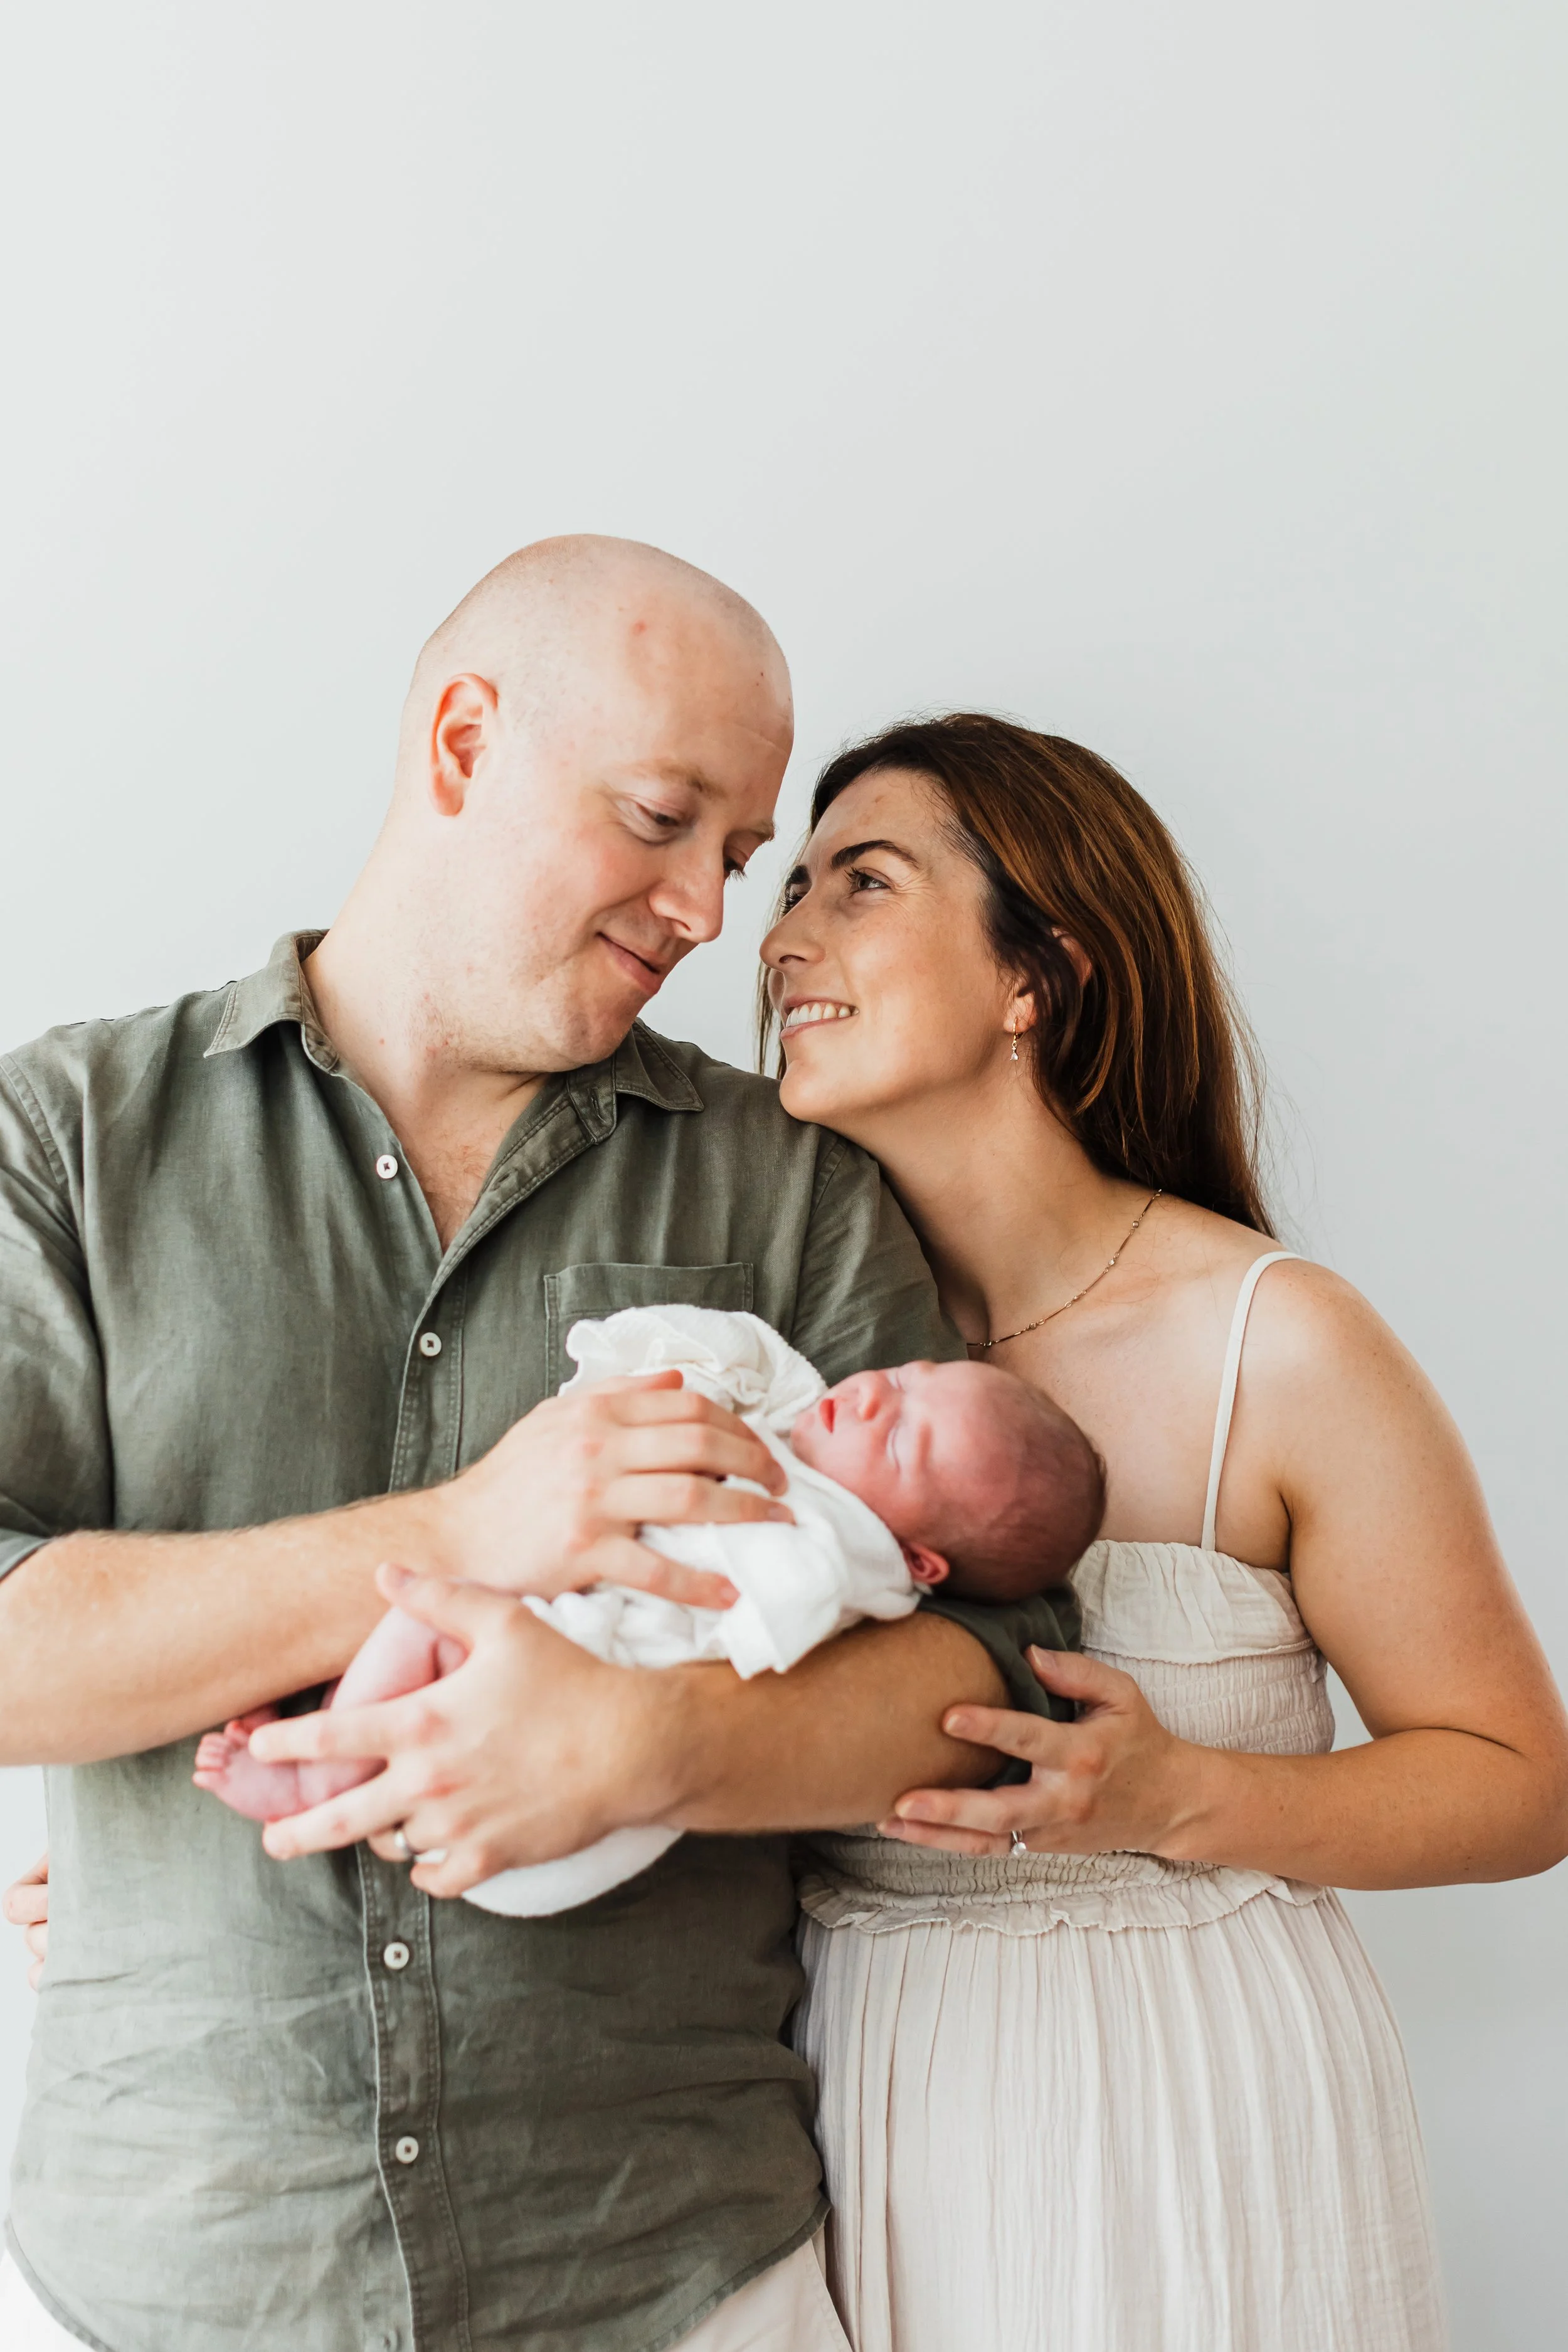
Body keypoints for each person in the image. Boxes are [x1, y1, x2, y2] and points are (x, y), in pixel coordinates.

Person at [0, 547, 1074, 2352]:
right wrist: (463, 1529)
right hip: (164, 2276)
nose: (707, 910)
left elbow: (997, 1665)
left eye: (736, 853)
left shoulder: (787, 1183)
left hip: (677, 2278)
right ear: (461, 742)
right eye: (660, 819)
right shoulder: (70, 1137)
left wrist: (648, 1744)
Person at [759, 713, 1568, 2351]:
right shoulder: (780, 1360)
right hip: (857, 2104)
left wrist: (1177, 1792)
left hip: (1187, 2118)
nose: (780, 938)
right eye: (790, 886)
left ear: (1036, 976)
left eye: (861, 882)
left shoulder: (1278, 1343)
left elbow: (1517, 1779)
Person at [191, 1305, 1099, 1919]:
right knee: (440, 1602)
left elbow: (769, 1615)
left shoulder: (839, 1551)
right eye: (903, 1375)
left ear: (921, 1560)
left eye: (899, 1438)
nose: (869, 1394)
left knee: (431, 1608)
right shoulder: (808, 1448)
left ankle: (320, 1773)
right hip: (565, 1706)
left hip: (599, 1709)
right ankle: (344, 1735)